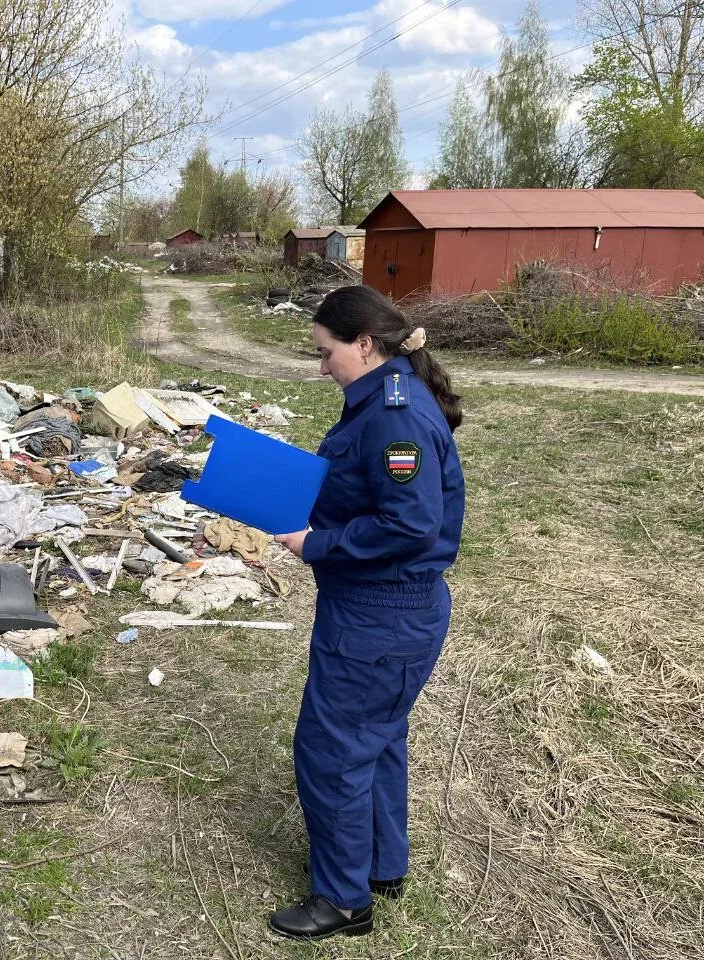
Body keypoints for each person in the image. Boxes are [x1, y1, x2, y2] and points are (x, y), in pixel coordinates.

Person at [267, 285, 465, 941]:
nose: (322, 366)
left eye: (327, 354)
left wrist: (316, 543)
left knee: (332, 752)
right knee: (376, 741)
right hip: (386, 612)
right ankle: (379, 863)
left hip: (382, 615)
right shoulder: (386, 400)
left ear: (364, 344)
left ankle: (343, 901)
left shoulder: (394, 416)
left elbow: (410, 523)